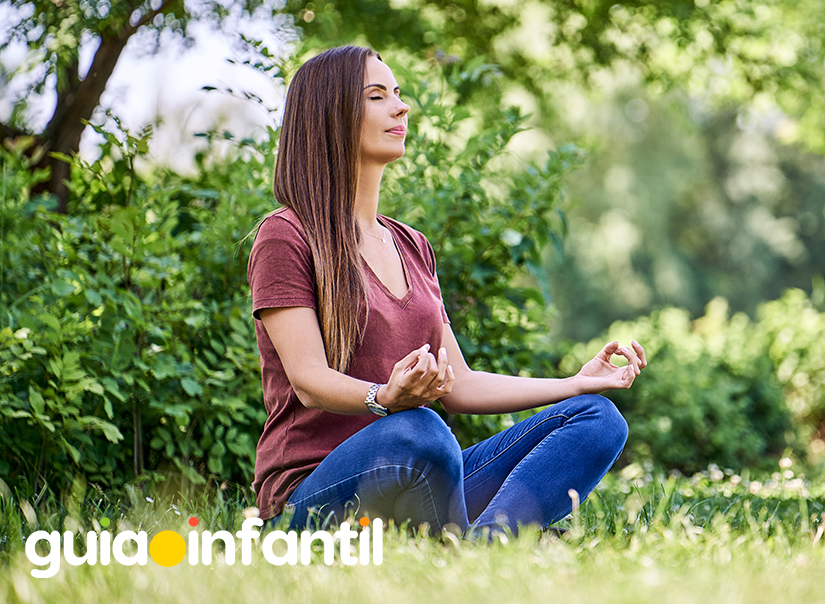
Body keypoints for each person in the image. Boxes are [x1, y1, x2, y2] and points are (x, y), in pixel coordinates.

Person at [247, 45, 646, 537]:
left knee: (598, 419)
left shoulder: (412, 245)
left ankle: (485, 546)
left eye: (398, 93)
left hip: (419, 479)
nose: (401, 107)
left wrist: (576, 383)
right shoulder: (287, 235)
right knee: (421, 430)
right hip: (314, 497)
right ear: (330, 115)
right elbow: (308, 379)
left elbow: (459, 385)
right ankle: (475, 543)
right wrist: (383, 397)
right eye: (377, 96)